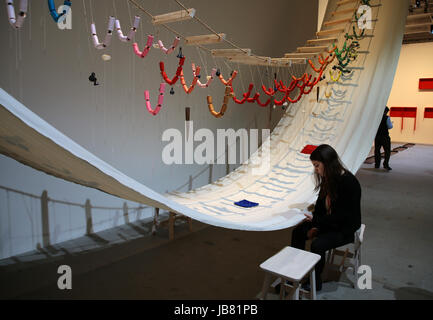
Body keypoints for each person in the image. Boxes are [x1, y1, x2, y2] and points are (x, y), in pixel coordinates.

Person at [290, 144, 362, 292]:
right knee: (298, 232)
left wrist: (317, 226)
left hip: (344, 228)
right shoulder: (328, 178)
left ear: (327, 164)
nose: (316, 169)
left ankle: (315, 281)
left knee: (318, 245)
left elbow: (342, 217)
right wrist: (315, 223)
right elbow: (321, 207)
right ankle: (294, 274)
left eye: (317, 165)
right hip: (328, 223)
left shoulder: (349, 182)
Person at [374, 107, 393, 171]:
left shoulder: (376, 117)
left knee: (377, 150)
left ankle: (377, 164)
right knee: (387, 151)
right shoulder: (387, 118)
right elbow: (390, 126)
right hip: (385, 136)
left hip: (377, 136)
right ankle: (386, 164)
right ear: (386, 111)